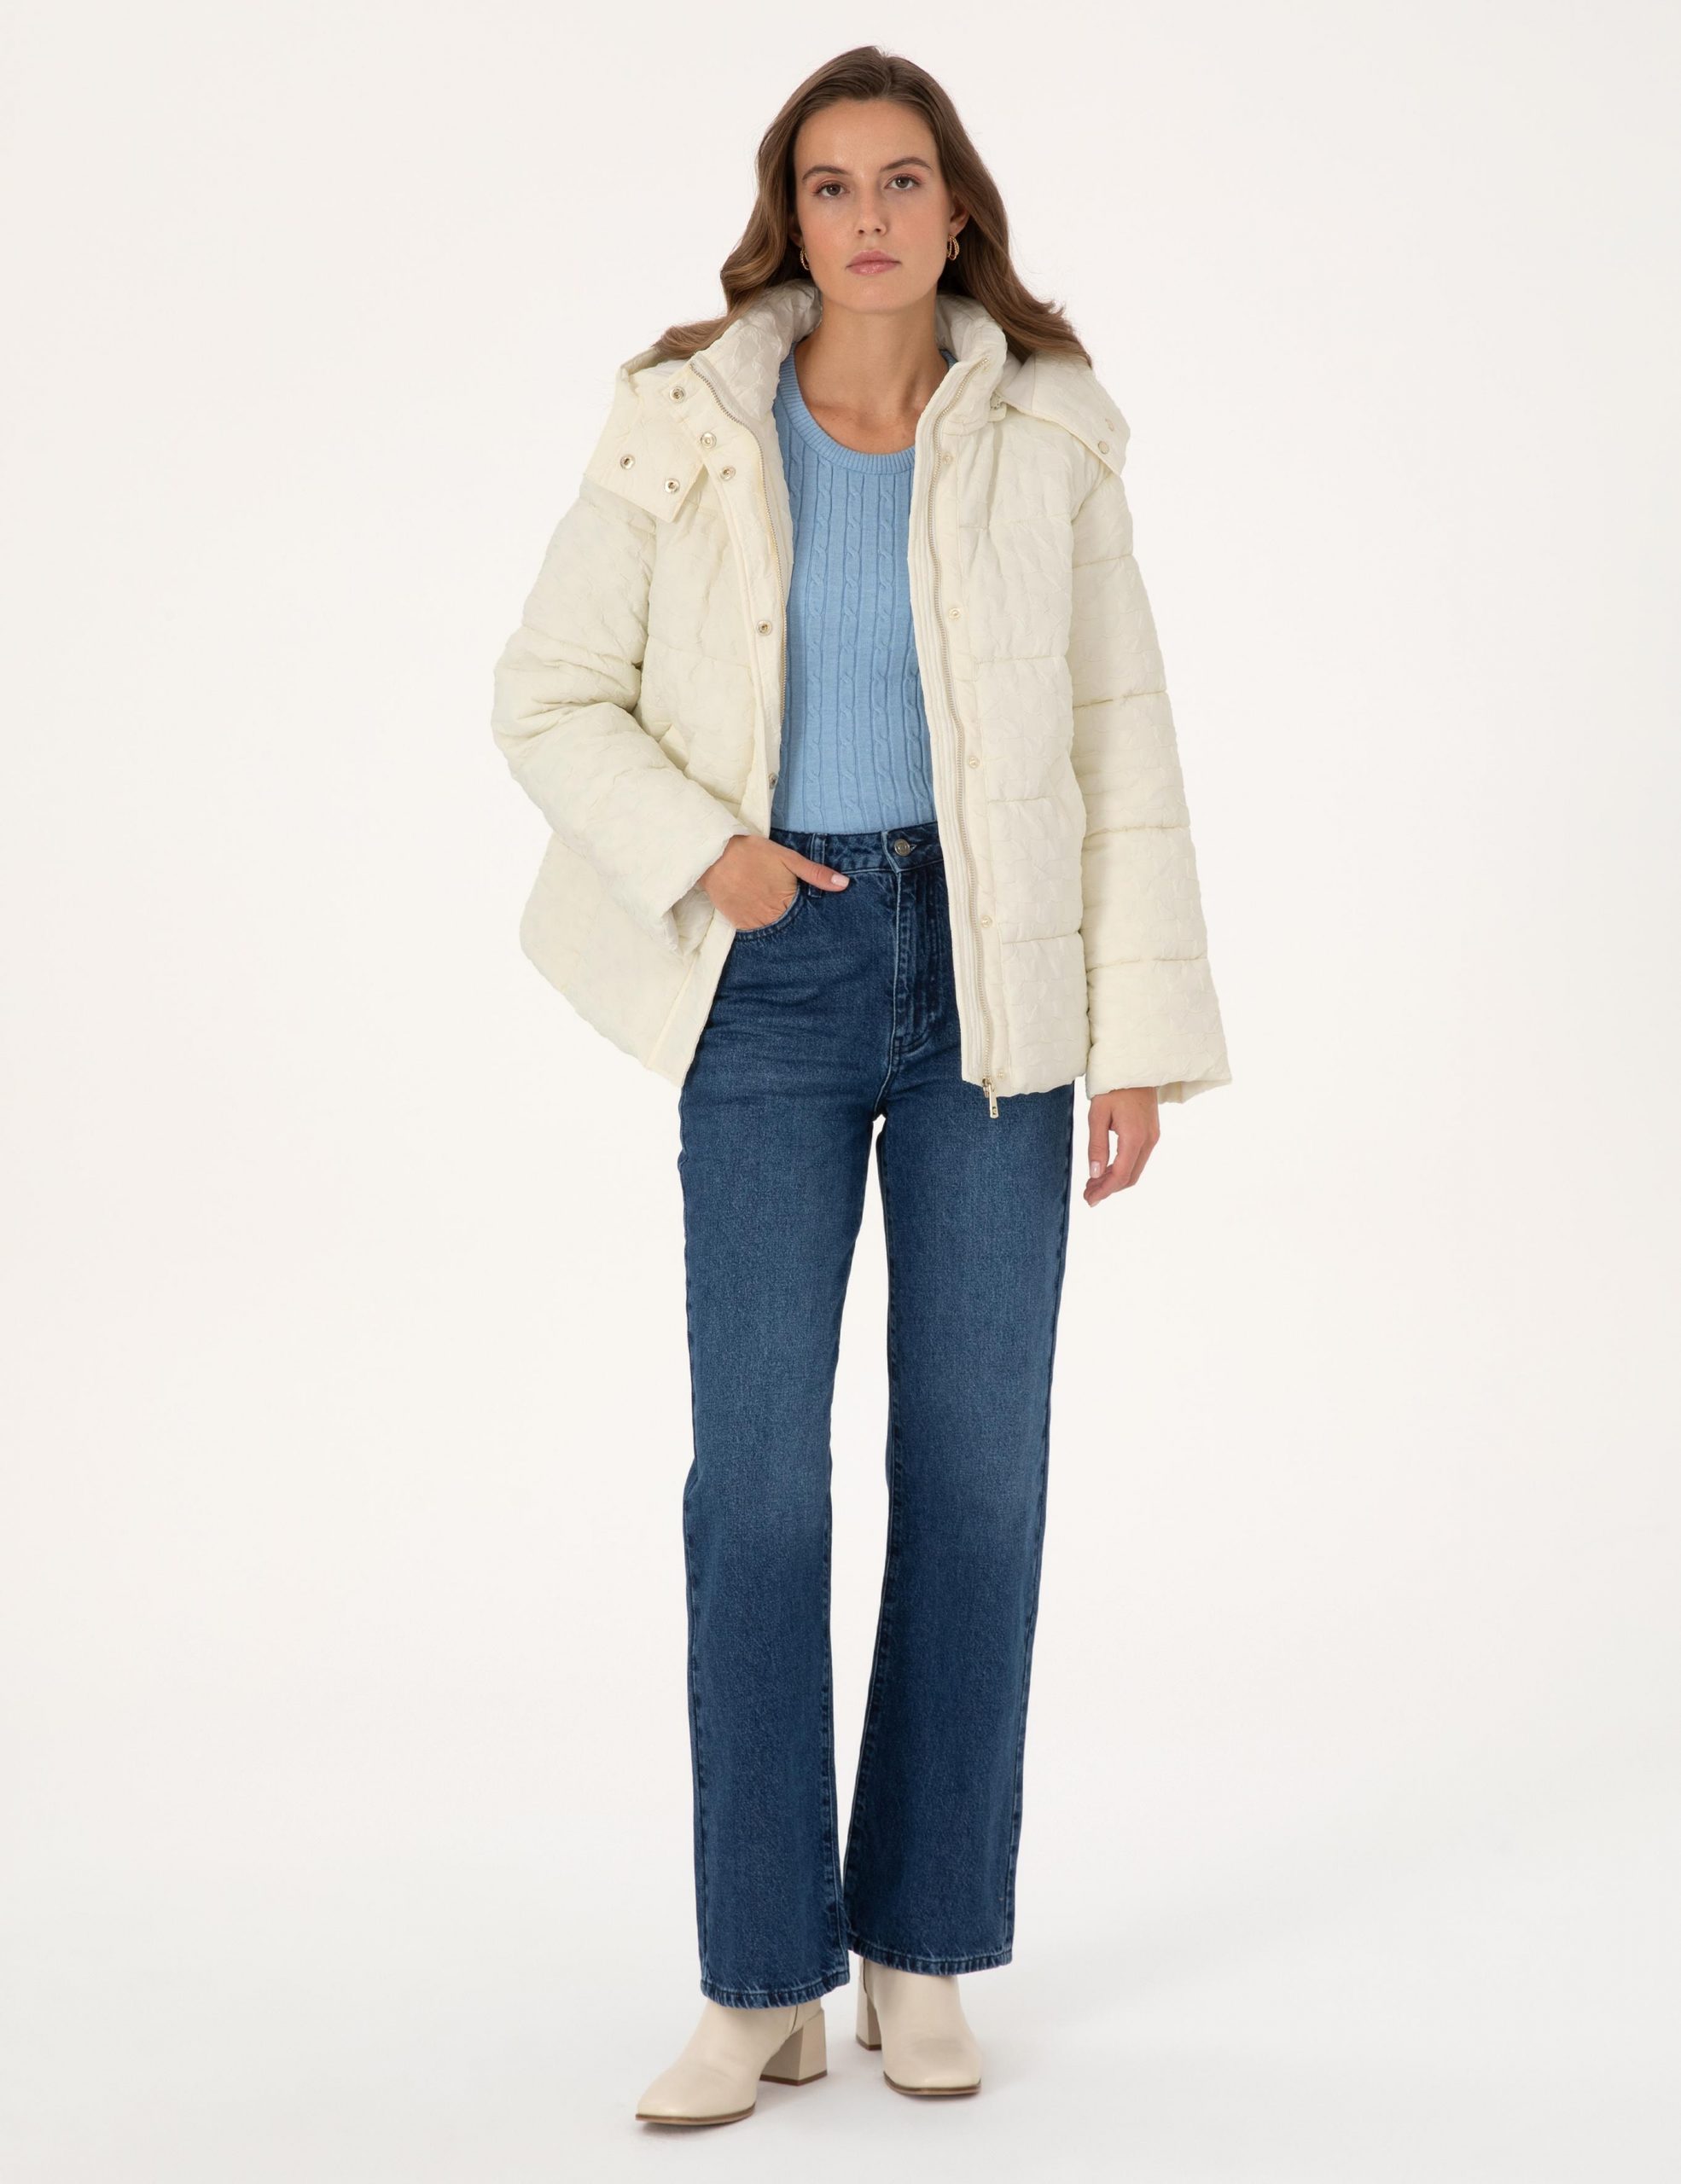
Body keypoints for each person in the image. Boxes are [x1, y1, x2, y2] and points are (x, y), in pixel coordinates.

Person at [490, 44, 1231, 2129]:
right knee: (756, 1485)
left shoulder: (1049, 435)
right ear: (788, 216)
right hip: (771, 977)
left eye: (903, 180)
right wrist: (706, 854)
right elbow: (544, 694)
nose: (871, 217)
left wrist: (1139, 1037)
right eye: (831, 185)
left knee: (979, 1474)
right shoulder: (683, 425)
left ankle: (919, 1944)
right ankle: (759, 1977)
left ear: (956, 207)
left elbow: (1120, 732)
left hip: (994, 981)